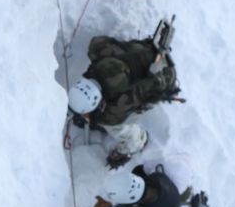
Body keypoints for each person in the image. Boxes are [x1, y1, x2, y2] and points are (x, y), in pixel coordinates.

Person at [65, 20, 180, 161]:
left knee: (116, 127)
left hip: (165, 77)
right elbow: (101, 43)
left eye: (84, 113)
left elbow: (116, 113)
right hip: (150, 53)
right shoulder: (98, 58)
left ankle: (138, 144)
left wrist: (95, 120)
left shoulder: (112, 113)